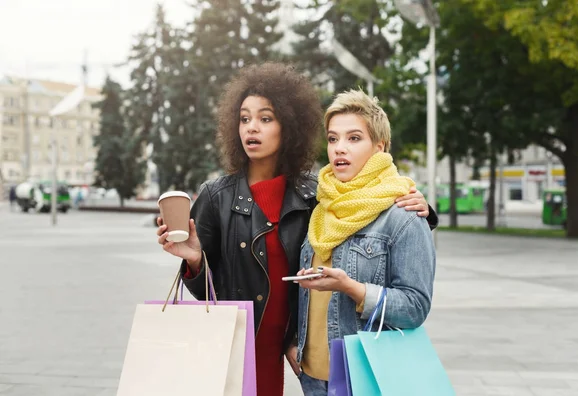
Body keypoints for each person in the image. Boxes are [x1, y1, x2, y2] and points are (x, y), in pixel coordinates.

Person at [156, 63, 435, 396]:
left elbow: (364, 208)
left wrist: (424, 211)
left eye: (265, 118)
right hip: (234, 345)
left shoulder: (313, 195)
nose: (251, 129)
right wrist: (195, 263)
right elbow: (208, 294)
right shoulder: (217, 196)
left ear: (288, 126)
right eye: (244, 119)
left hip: (297, 354)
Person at [294, 89, 436, 395]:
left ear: (379, 147)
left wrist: (351, 288)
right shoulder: (320, 209)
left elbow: (415, 307)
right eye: (333, 139)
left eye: (354, 138)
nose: (339, 148)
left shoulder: (404, 214)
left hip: (365, 379)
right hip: (312, 380)